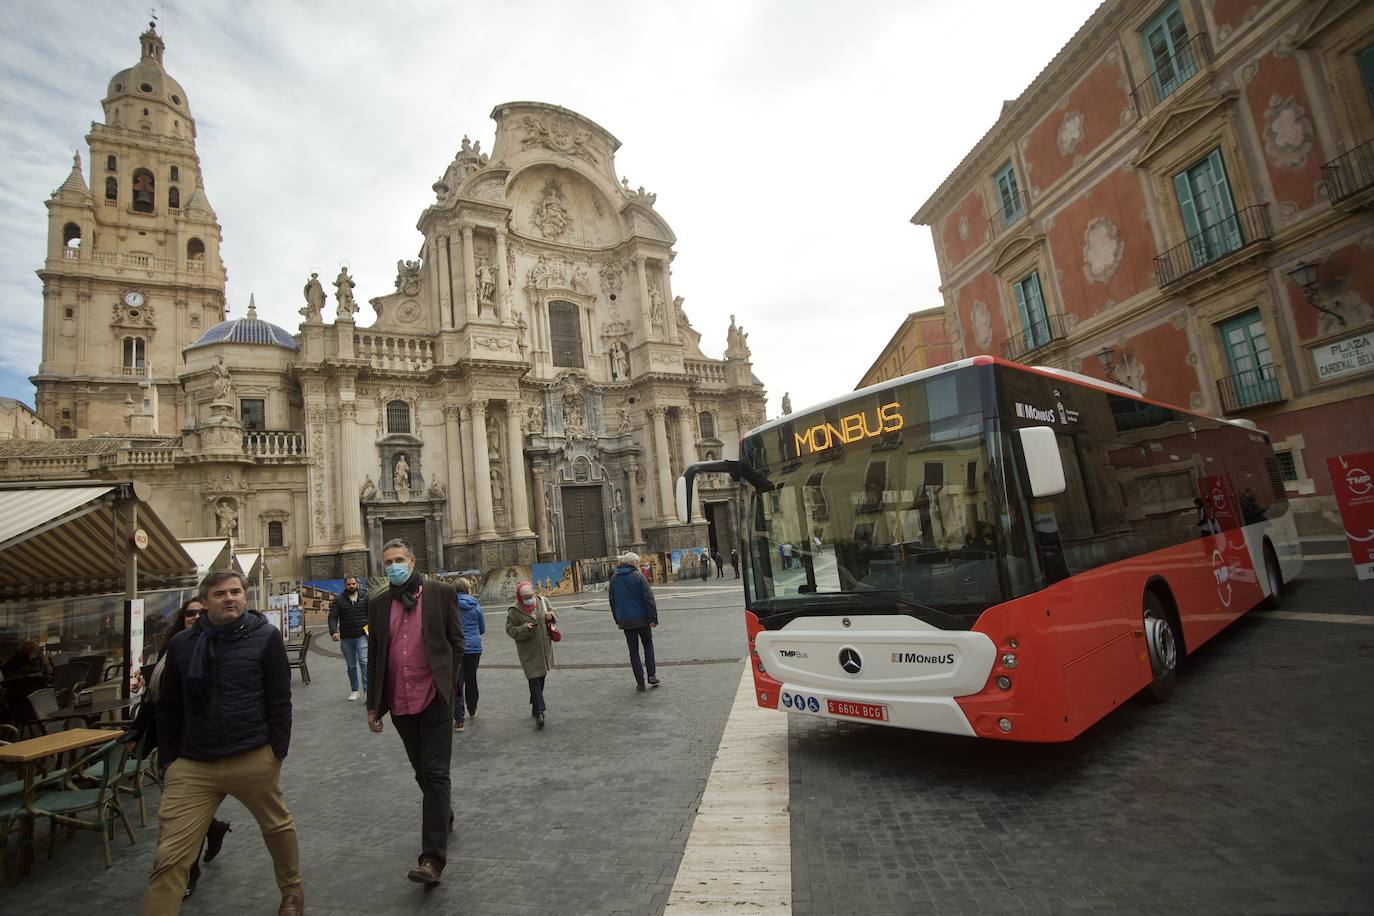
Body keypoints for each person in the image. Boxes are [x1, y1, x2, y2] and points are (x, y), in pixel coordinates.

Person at [142, 572, 301, 916]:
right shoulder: (183, 645)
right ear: (205, 601)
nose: (229, 598)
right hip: (193, 764)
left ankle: (292, 892)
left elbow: (279, 698)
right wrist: (169, 760)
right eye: (219, 594)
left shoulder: (266, 636)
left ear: (245, 596)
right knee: (169, 855)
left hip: (251, 755)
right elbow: (167, 706)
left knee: (277, 827)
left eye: (235, 592)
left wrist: (276, 753)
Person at [365, 539, 464, 886]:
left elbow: (457, 641)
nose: (393, 566)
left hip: (434, 697)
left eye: (398, 560)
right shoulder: (377, 604)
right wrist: (373, 705)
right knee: (422, 773)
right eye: (387, 561)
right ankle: (443, 812)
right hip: (400, 701)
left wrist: (448, 684)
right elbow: (376, 654)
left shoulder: (440, 593)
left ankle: (431, 860)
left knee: (436, 774)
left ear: (412, 560)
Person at [125, 597, 235, 900]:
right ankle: (213, 830)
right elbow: (153, 697)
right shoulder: (171, 649)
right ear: (182, 618)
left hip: (200, 743)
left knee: (183, 814)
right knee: (182, 812)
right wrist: (136, 731)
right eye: (190, 613)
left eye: (202, 613)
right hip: (170, 743)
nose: (196, 617)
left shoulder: (219, 648)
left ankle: (189, 871)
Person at [505, 580, 558, 728]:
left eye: (531, 596)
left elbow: (554, 612)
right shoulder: (514, 610)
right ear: (520, 598)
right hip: (528, 649)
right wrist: (524, 628)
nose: (529, 599)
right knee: (533, 677)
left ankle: (535, 702)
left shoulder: (542, 601)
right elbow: (510, 629)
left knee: (541, 676)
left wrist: (551, 616)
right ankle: (540, 711)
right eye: (526, 597)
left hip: (543, 646)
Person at [608, 553, 659, 692]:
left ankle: (640, 682)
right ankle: (652, 675)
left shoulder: (614, 579)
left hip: (626, 621)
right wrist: (653, 618)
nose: (638, 565)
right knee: (648, 645)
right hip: (642, 619)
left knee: (633, 651)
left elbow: (612, 601)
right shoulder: (639, 577)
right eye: (637, 563)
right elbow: (648, 598)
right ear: (633, 563)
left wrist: (617, 619)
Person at [328, 576, 369, 701]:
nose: (351, 586)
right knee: (351, 665)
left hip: (362, 635)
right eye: (349, 584)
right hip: (346, 638)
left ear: (357, 584)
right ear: (345, 585)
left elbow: (371, 613)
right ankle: (355, 690)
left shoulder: (365, 596)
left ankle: (367, 691)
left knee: (364, 662)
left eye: (353, 583)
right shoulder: (339, 600)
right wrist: (334, 632)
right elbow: (332, 617)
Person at [452, 578, 485, 732]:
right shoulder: (475, 605)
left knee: (457, 683)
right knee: (472, 678)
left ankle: (459, 720)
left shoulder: (450, 606)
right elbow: (482, 628)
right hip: (474, 648)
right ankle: (472, 708)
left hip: (456, 649)